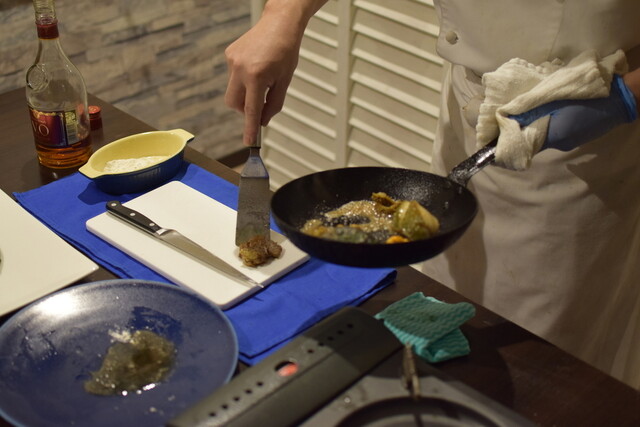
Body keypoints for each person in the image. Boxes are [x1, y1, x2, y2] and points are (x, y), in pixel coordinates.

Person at [224, 0, 640, 388]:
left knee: (538, 359)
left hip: (580, 134)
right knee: (444, 305)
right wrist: (284, 13)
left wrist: (624, 98)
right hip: (472, 98)